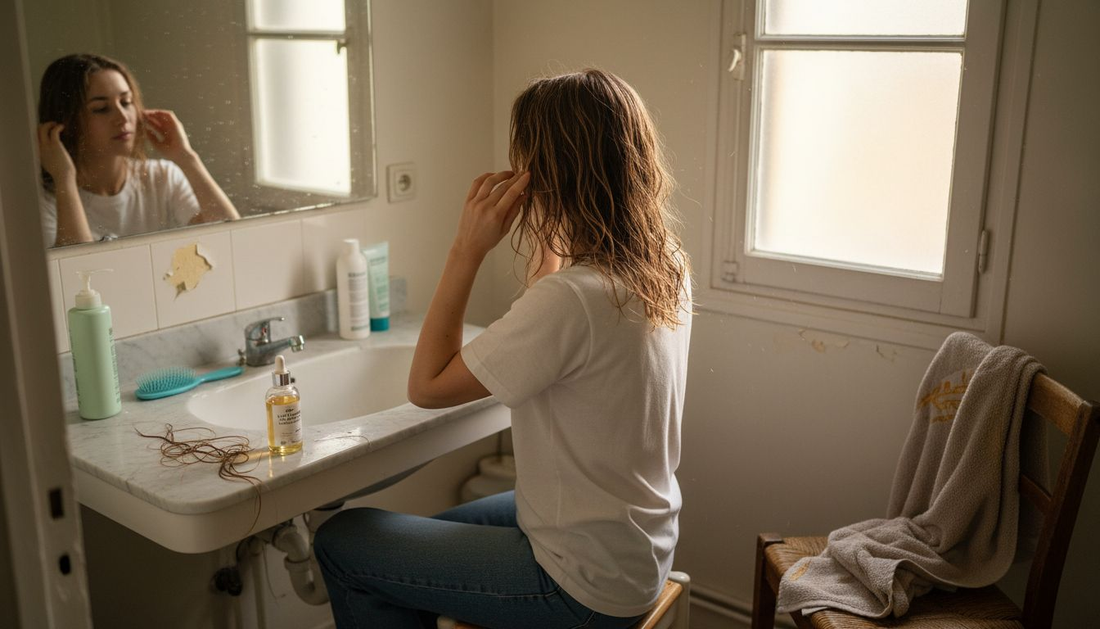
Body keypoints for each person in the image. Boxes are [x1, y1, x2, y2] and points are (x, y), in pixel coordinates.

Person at [314, 69, 693, 629]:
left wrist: (465, 249)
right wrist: (552, 227)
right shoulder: (663, 265)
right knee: (425, 532)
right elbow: (558, 313)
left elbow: (425, 388)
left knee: (345, 539)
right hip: (633, 547)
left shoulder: (574, 300)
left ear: (546, 174)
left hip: (579, 590)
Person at [37, 53, 240, 247]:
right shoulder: (45, 201)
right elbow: (75, 271)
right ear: (66, 121)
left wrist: (186, 157)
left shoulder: (162, 177)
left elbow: (230, 238)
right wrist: (64, 179)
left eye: (126, 102)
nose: (123, 117)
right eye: (101, 108)